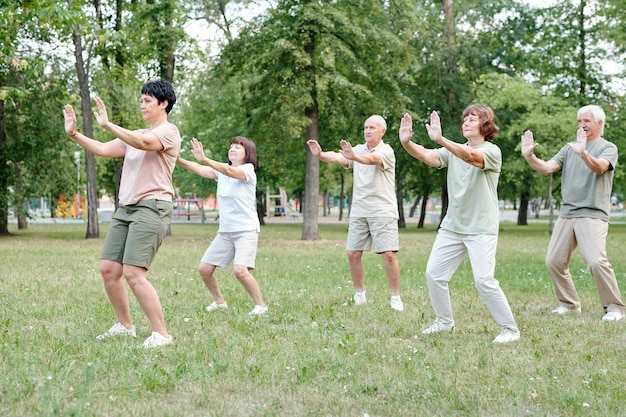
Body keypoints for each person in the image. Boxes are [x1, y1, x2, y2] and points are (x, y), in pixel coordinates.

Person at [63, 79, 180, 348]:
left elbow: (143, 142)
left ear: (163, 104)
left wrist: (107, 124)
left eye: (147, 100)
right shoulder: (135, 134)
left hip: (151, 207)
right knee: (108, 269)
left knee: (134, 273)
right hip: (126, 209)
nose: (142, 105)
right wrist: (74, 135)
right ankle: (125, 326)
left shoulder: (168, 132)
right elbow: (104, 149)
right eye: (141, 100)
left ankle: (161, 334)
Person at [399, 106, 520, 344]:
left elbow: (471, 157)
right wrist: (407, 143)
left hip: (481, 228)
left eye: (472, 119)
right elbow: (427, 155)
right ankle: (444, 323)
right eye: (464, 118)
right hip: (452, 226)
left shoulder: (492, 151)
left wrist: (442, 140)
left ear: (485, 125)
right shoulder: (453, 150)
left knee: (484, 281)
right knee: (434, 274)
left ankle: (510, 329)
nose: (465, 122)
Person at [521, 104, 625, 322]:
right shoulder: (569, 149)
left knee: (596, 261)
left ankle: (615, 308)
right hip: (567, 213)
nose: (582, 125)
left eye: (586, 121)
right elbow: (547, 168)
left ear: (599, 123)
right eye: (579, 121)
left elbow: (599, 167)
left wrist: (584, 152)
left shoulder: (608, 147)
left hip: (593, 213)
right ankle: (569, 304)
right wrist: (529, 156)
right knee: (554, 261)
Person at [306, 115, 403, 311]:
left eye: (372, 128)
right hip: (359, 210)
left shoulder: (386, 151)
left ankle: (395, 298)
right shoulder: (357, 149)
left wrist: (354, 157)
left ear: (382, 131)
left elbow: (372, 160)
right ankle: (359, 295)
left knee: (388, 254)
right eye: (366, 127)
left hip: (382, 211)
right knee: (352, 253)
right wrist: (320, 154)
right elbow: (338, 156)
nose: (368, 131)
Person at [177, 137, 267, 316]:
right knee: (204, 269)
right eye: (231, 147)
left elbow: (227, 170)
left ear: (247, 154)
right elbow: (199, 169)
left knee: (240, 271)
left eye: (238, 148)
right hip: (226, 232)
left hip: (245, 230)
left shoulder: (247, 170)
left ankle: (261, 306)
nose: (232, 149)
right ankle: (219, 302)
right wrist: (176, 158)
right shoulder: (221, 173)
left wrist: (205, 159)